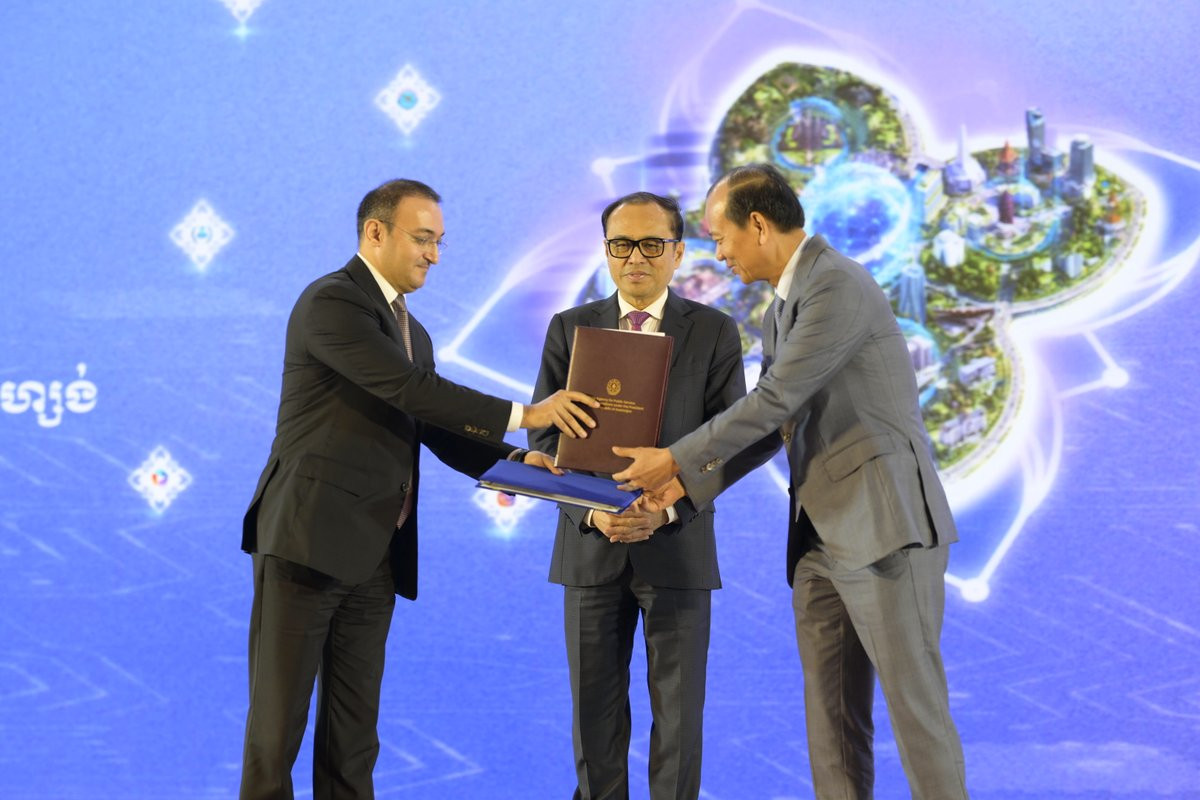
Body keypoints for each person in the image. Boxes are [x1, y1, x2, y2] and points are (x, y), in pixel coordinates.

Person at [612, 164, 970, 798]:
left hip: (885, 530)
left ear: (757, 224)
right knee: (831, 726)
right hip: (819, 541)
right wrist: (684, 488)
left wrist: (672, 458)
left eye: (720, 237)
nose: (718, 252)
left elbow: (773, 400)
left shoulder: (837, 284)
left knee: (917, 716)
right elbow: (774, 426)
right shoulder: (783, 308)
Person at [238, 178, 598, 800]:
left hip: (377, 552)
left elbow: (432, 424)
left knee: (354, 740)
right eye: (423, 238)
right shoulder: (332, 302)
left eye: (440, 242)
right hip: (306, 542)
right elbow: (411, 391)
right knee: (276, 737)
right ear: (375, 232)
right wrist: (529, 414)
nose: (434, 255)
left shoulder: (415, 333)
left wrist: (518, 462)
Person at [529, 192, 774, 799]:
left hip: (678, 548)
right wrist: (593, 512)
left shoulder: (713, 331)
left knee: (679, 725)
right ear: (606, 250)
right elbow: (543, 439)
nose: (635, 257)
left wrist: (666, 508)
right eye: (621, 245)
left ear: (678, 252)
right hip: (590, 549)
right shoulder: (569, 328)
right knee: (593, 724)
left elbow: (733, 442)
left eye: (651, 244)